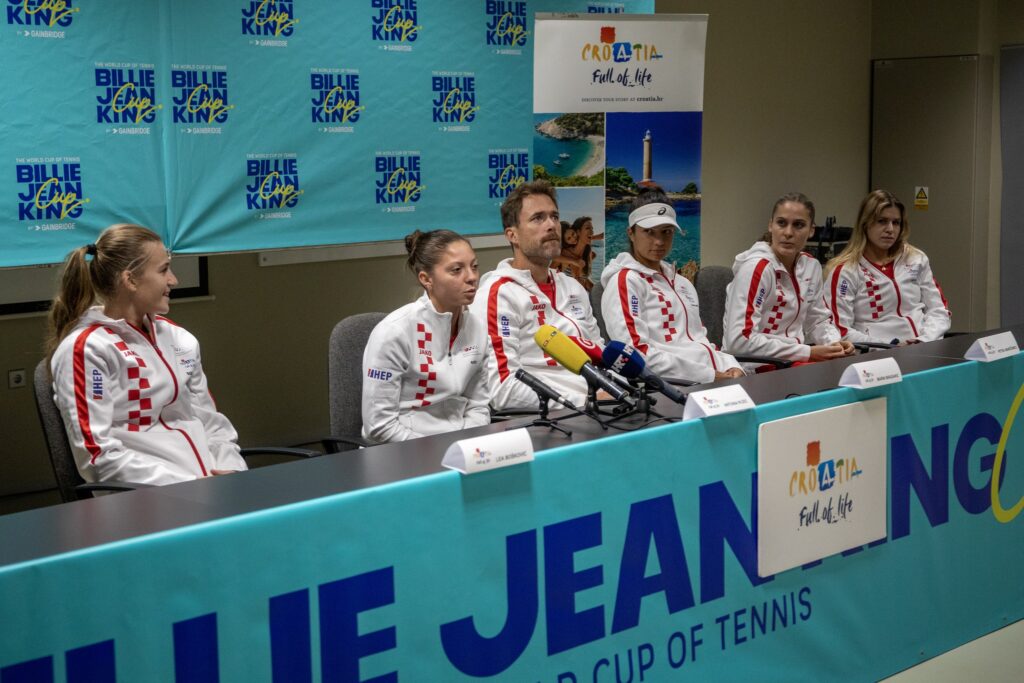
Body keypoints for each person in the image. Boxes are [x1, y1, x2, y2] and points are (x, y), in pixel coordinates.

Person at [47, 224, 246, 486]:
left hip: (208, 489)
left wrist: (233, 471)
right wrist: (189, 486)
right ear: (130, 280)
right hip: (147, 498)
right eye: (164, 270)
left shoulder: (178, 338)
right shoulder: (87, 349)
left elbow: (210, 422)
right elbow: (99, 458)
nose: (173, 280)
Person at [469, 180, 603, 410]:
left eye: (554, 216)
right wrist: (585, 402)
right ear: (512, 235)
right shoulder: (499, 295)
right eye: (538, 218)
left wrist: (621, 389)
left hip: (605, 403)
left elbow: (600, 354)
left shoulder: (573, 287)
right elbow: (503, 389)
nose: (551, 225)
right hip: (558, 416)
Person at [601, 186, 744, 383]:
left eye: (666, 232)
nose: (659, 241)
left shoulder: (682, 283)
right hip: (676, 388)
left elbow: (700, 341)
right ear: (631, 233)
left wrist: (731, 365)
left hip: (714, 379)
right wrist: (711, 376)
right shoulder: (626, 282)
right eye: (649, 232)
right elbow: (635, 354)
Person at [361, 229, 491, 442]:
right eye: (456, 270)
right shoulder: (394, 332)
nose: (472, 277)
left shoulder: (477, 328)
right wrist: (437, 451)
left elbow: (479, 406)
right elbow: (379, 426)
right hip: (404, 449)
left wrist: (466, 444)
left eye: (474, 266)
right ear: (426, 279)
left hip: (460, 444)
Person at [723, 193, 854, 363]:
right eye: (781, 223)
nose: (788, 233)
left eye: (798, 225)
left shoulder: (811, 266)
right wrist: (807, 352)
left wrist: (834, 344)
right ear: (771, 225)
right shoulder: (756, 268)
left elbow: (817, 321)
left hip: (793, 360)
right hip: (755, 365)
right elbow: (739, 341)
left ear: (811, 230)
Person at [825, 190, 950, 344]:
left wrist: (923, 341)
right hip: (876, 354)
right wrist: (887, 347)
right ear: (865, 224)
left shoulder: (916, 259)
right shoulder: (846, 271)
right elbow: (840, 330)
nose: (890, 229)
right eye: (882, 221)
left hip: (922, 348)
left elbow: (939, 311)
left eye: (896, 222)